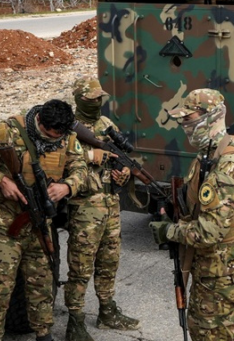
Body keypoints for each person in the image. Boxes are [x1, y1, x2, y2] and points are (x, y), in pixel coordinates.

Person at [0, 100, 92, 341]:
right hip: (4, 226)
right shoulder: (6, 130)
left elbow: (81, 169)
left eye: (58, 137)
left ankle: (44, 335)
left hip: (39, 225)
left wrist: (67, 186)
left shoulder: (67, 137)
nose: (54, 141)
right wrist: (0, 180)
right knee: (0, 290)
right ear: (39, 121)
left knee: (42, 287)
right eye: (48, 135)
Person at [149, 89, 234, 341]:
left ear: (211, 117)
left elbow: (209, 232)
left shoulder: (227, 165)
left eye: (189, 119)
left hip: (222, 268)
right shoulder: (210, 153)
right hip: (211, 264)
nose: (185, 126)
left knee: (213, 333)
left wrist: (168, 231)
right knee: (200, 326)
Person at [63, 78, 139, 341]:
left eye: (100, 98)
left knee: (109, 262)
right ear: (80, 99)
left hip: (110, 205)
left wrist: (125, 172)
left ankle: (107, 311)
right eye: (92, 99)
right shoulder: (66, 127)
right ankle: (75, 321)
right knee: (80, 267)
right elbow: (55, 160)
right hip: (84, 207)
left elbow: (118, 156)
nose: (97, 103)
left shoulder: (107, 125)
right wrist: (89, 157)